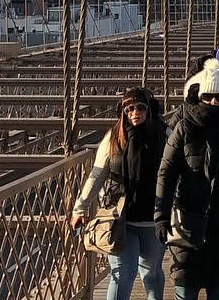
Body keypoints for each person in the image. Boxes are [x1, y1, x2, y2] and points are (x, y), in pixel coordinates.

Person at [154, 60, 219, 300]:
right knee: (185, 290)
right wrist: (160, 216)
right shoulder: (184, 128)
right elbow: (166, 173)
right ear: (199, 95)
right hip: (187, 221)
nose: (213, 102)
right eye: (208, 96)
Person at [71, 86, 168, 300]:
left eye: (140, 107)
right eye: (129, 109)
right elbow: (97, 174)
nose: (135, 113)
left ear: (149, 109)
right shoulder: (114, 138)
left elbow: (178, 172)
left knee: (151, 274)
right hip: (120, 219)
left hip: (154, 219)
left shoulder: (164, 135)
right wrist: (80, 207)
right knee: (124, 273)